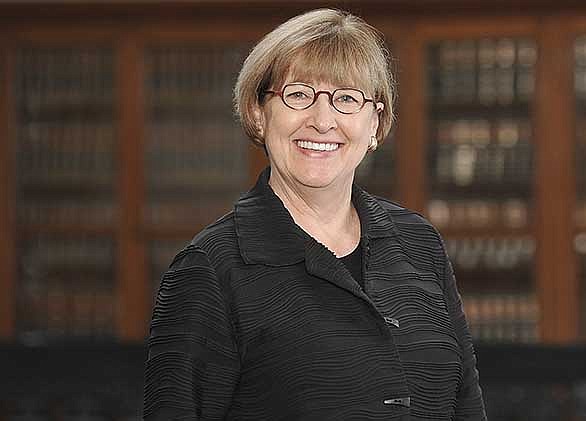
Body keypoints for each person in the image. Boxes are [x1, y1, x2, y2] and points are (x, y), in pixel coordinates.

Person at [143, 8, 486, 420]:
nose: (323, 121)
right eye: (299, 94)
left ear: (375, 123)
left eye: (346, 98)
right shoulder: (210, 269)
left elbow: (467, 406)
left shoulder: (419, 243)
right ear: (258, 113)